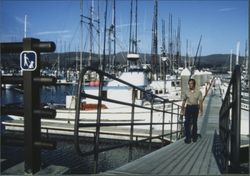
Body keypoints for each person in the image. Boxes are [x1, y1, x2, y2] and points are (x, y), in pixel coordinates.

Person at [181, 78, 203, 144]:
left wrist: (201, 111)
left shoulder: (199, 92)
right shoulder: (186, 92)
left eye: (191, 83)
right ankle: (188, 138)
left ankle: (194, 137)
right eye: (189, 84)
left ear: (194, 84)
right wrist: (182, 109)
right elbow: (184, 101)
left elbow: (200, 102)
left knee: (194, 122)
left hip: (195, 108)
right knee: (187, 123)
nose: (190, 85)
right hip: (188, 107)